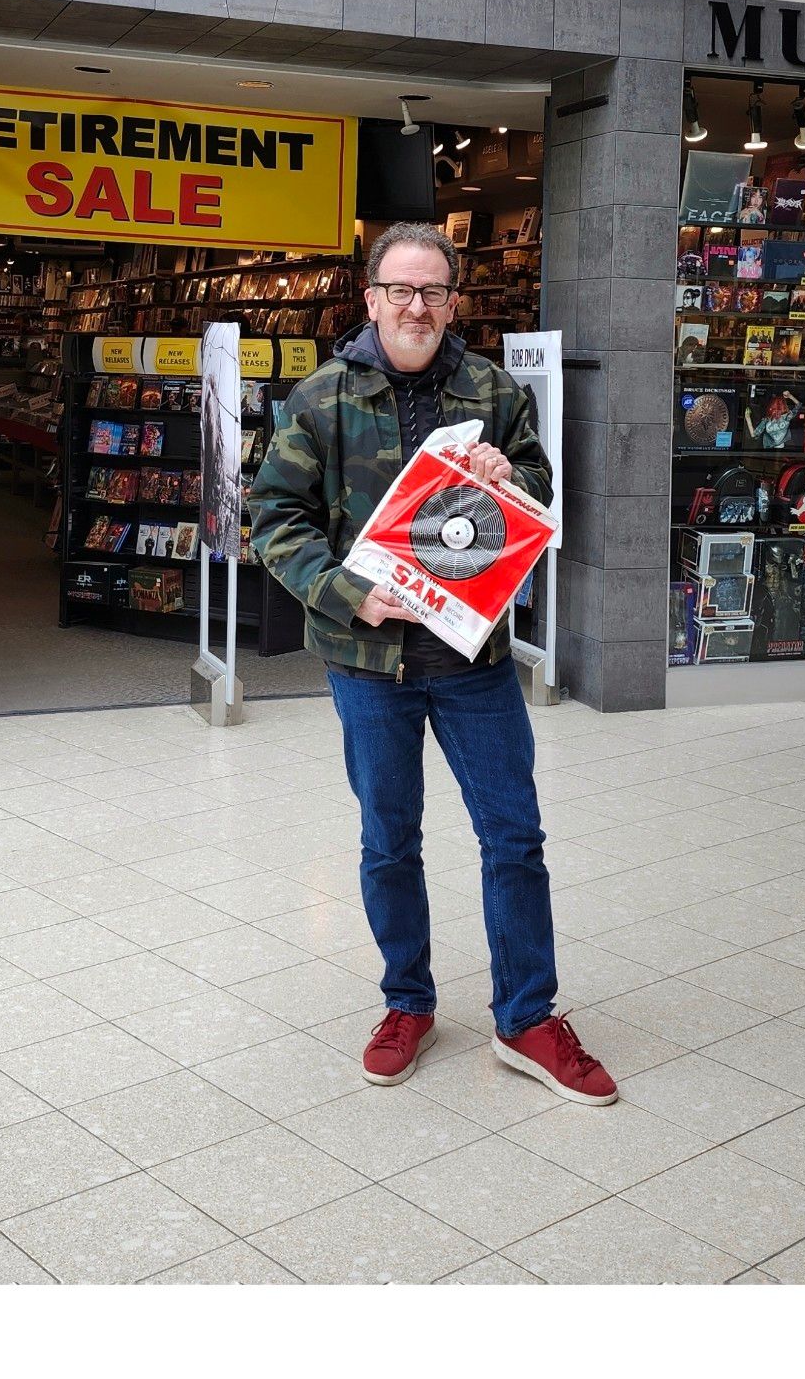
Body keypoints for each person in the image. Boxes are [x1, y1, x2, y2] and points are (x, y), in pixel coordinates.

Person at [249, 222, 617, 1103]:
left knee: (515, 838)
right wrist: (346, 593)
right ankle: (407, 1002)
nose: (417, 308)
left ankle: (526, 1018)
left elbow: (536, 487)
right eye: (400, 291)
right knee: (389, 841)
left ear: (455, 301)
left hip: (473, 655)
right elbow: (274, 519)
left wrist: (512, 472)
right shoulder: (321, 399)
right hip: (368, 662)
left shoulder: (491, 388)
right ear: (370, 298)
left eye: (435, 293)